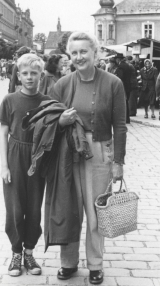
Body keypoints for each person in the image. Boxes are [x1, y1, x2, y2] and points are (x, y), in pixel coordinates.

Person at [50, 32, 127, 285]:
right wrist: (61, 120)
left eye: (84, 51)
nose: (79, 57)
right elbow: (48, 121)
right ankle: (68, 263)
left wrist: (118, 162)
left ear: (95, 53)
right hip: (69, 152)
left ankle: (95, 264)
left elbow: (120, 126)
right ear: (69, 56)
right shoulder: (62, 84)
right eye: (74, 53)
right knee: (70, 208)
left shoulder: (113, 82)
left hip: (99, 152)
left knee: (96, 211)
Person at [0, 54, 51, 277]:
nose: (30, 77)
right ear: (19, 75)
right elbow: (2, 133)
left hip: (37, 157)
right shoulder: (10, 100)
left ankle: (29, 251)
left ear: (41, 75)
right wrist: (4, 165)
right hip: (15, 155)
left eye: (34, 73)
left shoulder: (46, 102)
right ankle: (15, 252)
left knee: (34, 208)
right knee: (15, 208)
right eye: (25, 73)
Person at [115, 53, 132, 123]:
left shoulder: (120, 66)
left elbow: (120, 77)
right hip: (128, 86)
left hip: (123, 86)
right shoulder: (127, 65)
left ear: (118, 59)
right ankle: (127, 118)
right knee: (126, 102)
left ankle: (124, 118)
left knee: (123, 102)